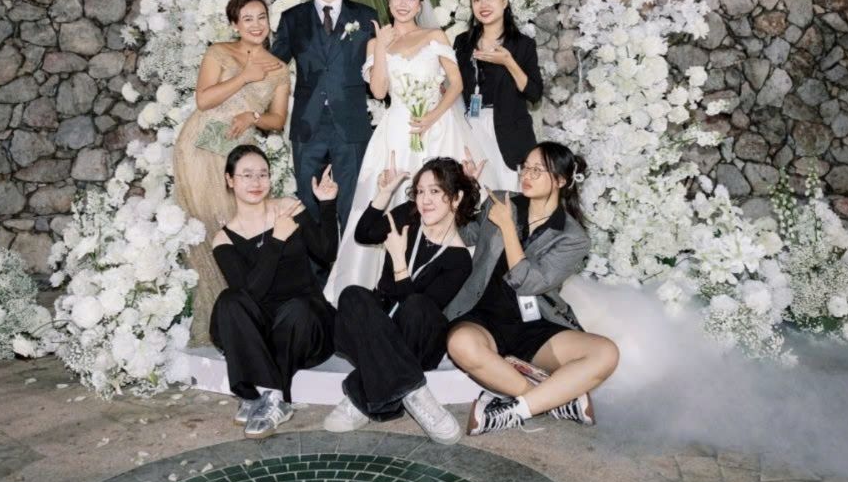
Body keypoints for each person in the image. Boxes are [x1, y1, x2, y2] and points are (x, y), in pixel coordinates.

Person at [323, 0, 501, 302]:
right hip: (396, 131)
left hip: (438, 128)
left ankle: (440, 284)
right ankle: (384, 285)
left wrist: (433, 116)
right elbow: (379, 91)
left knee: (445, 199)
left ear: (420, 5)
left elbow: (456, 84)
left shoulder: (434, 35)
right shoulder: (377, 42)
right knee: (391, 197)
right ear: (389, 2)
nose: (403, 4)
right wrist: (380, 46)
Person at [446, 141, 619, 435]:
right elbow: (466, 234)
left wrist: (508, 228)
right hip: (483, 315)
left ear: (560, 180)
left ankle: (514, 411)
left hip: (536, 324)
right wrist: (467, 189)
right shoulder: (501, 201)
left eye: (538, 170)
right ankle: (553, 400)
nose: (527, 175)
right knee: (460, 344)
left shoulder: (573, 238)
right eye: (525, 167)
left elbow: (527, 282)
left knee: (606, 353)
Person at [325, 156, 476, 444]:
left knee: (418, 307)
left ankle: (361, 395)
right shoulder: (409, 215)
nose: (425, 200)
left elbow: (415, 308)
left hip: (417, 337)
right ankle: (414, 390)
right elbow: (364, 233)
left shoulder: (459, 260)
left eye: (435, 191)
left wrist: (398, 259)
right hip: (378, 325)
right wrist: (385, 191)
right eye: (420, 191)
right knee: (352, 295)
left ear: (456, 198)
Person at [172, 0, 289, 345]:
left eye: (261, 17)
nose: (256, 25)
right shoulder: (219, 52)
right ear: (235, 24)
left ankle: (244, 316)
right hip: (200, 148)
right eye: (247, 19)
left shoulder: (279, 68)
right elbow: (204, 99)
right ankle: (214, 319)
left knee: (240, 230)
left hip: (239, 155)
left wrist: (252, 116)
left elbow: (277, 120)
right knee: (208, 229)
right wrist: (245, 76)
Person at [209, 145, 340, 439]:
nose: (256, 182)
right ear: (230, 180)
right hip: (264, 333)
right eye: (246, 175)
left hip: (306, 327)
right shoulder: (223, 239)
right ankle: (265, 395)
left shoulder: (288, 208)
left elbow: (326, 253)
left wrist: (327, 204)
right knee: (229, 300)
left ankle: (266, 394)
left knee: (297, 309)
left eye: (262, 174)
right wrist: (277, 239)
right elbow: (251, 293)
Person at [270, 0, 378, 234]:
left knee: (352, 204)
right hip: (308, 123)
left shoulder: (366, 17)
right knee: (309, 203)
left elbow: (379, 68)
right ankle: (316, 265)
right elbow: (274, 68)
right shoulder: (292, 18)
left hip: (351, 123)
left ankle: (348, 262)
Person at [453, 0, 544, 191]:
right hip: (470, 128)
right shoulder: (463, 42)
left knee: (509, 195)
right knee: (475, 194)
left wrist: (508, 62)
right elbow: (455, 85)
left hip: (508, 132)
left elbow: (534, 94)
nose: (483, 5)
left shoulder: (522, 45)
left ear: (504, 2)